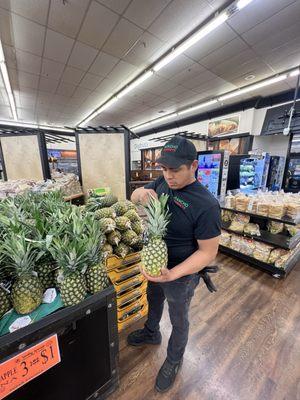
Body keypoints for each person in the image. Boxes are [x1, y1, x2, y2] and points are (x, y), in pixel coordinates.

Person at [127, 136, 221, 393]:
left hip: (181, 273)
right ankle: (151, 331)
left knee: (179, 318)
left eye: (175, 169)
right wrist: (140, 193)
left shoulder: (207, 205)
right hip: (155, 263)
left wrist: (174, 274)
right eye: (164, 169)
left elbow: (208, 252)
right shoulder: (162, 182)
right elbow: (135, 195)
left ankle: (174, 358)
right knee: (153, 299)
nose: (168, 176)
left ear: (193, 166)